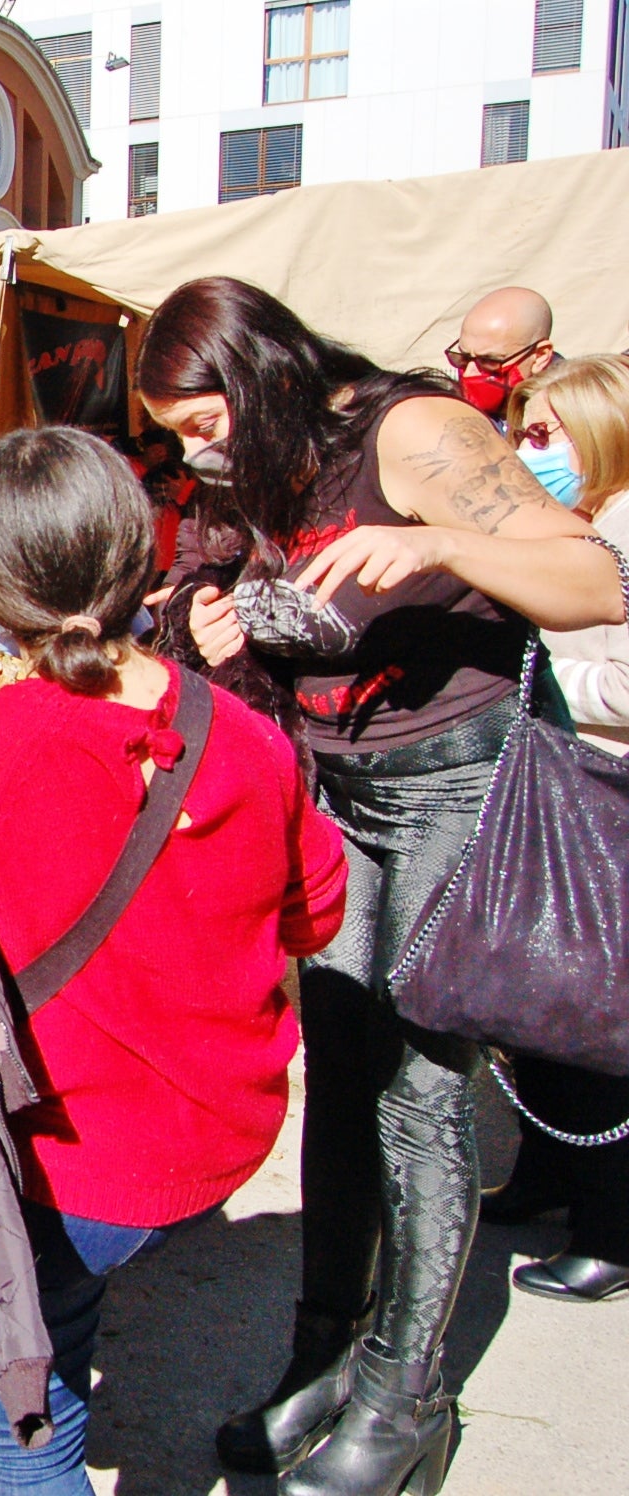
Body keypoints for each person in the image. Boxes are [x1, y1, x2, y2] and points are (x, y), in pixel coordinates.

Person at [137, 276, 620, 1495]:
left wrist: (442, 540)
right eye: (179, 439)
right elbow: (236, 587)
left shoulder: (410, 431)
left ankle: (408, 1397)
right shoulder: (260, 468)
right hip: (339, 789)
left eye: (205, 425)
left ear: (258, 376)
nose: (197, 456)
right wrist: (210, 615)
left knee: (419, 1091)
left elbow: (599, 579)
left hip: (459, 782)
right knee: (343, 1074)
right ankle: (325, 1355)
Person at [0, 425, 348, 1496]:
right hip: (216, 1133)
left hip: (56, 1173)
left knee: (31, 1436)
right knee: (65, 1314)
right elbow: (317, 915)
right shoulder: (246, 735)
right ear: (143, 558)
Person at [477, 354, 629, 1306]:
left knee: (593, 1025)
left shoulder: (621, 532)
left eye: (543, 435)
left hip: (608, 797)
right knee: (543, 1012)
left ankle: (611, 1230)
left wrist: (535, 681)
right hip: (566, 791)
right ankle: (548, 1174)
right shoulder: (577, 525)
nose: (526, 450)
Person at [449, 286, 558, 425]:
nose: (469, 373)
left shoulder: (570, 421)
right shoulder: (448, 406)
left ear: (540, 356)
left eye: (489, 361)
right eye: (464, 358)